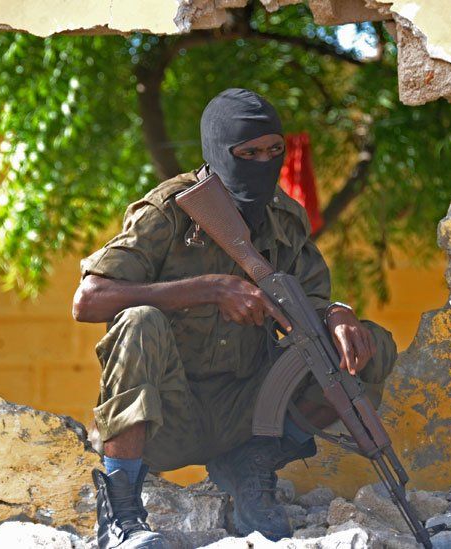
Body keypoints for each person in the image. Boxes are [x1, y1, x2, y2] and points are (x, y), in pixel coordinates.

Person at [72, 88, 398, 549]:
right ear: (218, 152)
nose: (263, 163)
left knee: (366, 345)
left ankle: (252, 467)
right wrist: (208, 289)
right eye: (248, 153)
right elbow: (89, 299)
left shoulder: (284, 218)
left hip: (247, 414)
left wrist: (341, 315)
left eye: (273, 151)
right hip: (167, 414)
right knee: (138, 320)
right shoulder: (170, 211)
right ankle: (122, 512)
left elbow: (312, 302)